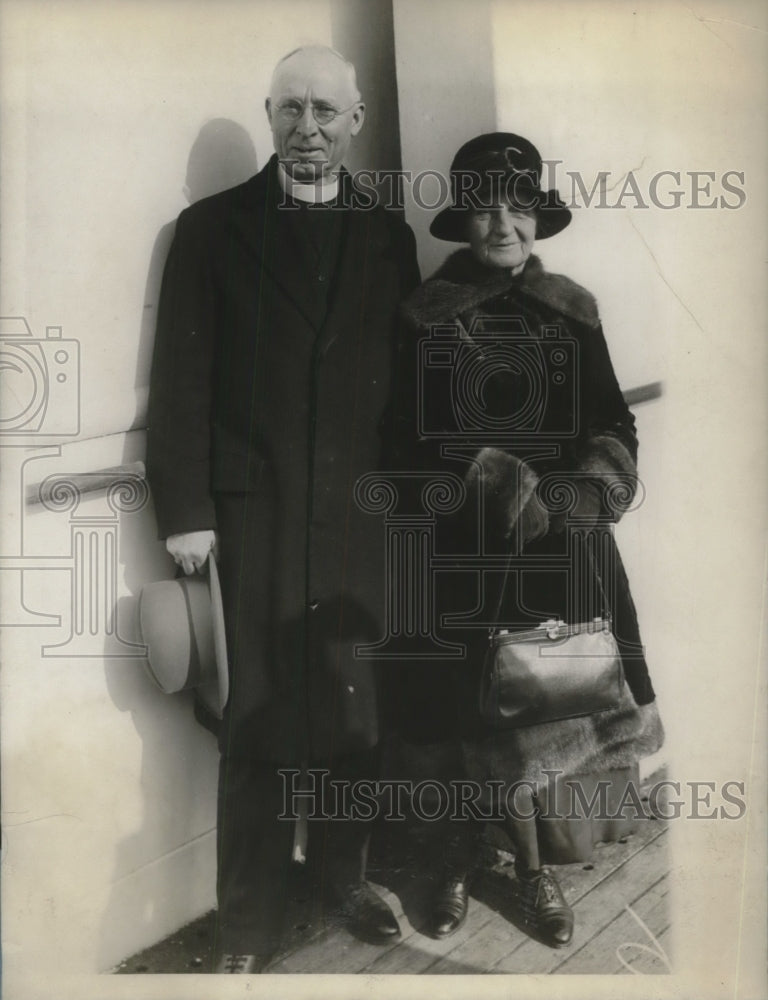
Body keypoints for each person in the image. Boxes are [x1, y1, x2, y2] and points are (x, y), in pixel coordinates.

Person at [146, 45, 420, 973]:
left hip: (362, 522)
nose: (307, 128)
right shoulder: (212, 230)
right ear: (270, 115)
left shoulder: (389, 237)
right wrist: (185, 510)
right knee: (255, 723)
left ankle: (341, 874)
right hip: (253, 519)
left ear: (355, 124)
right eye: (290, 109)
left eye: (324, 112)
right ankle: (250, 924)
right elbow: (180, 381)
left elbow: (412, 386)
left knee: (358, 712)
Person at [386, 132, 663, 949]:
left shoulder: (572, 307)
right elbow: (404, 441)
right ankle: (458, 861)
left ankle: (536, 869)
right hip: (465, 544)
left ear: (536, 216)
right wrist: (498, 486)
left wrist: (585, 491)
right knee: (467, 710)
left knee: (553, 697)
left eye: (518, 206)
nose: (502, 223)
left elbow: (614, 421)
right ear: (462, 218)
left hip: (565, 543)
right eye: (484, 206)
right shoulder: (423, 316)